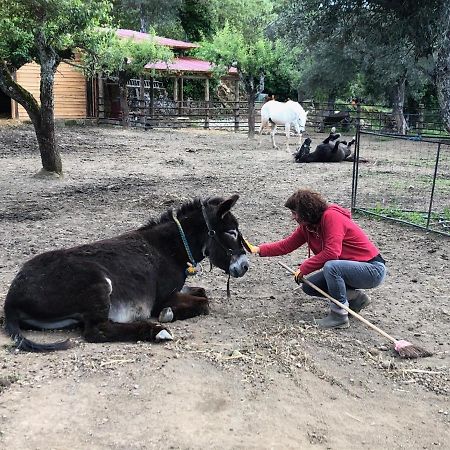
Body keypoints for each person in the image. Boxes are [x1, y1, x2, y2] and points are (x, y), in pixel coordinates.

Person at [248, 189, 386, 329]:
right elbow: (286, 245)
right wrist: (258, 249)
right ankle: (356, 299)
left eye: (295, 213)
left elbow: (332, 253)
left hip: (372, 269)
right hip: (353, 269)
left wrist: (304, 267)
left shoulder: (332, 217)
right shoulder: (308, 227)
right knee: (309, 286)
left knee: (332, 267)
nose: (293, 217)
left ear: (306, 211)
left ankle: (339, 317)